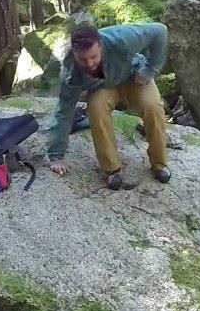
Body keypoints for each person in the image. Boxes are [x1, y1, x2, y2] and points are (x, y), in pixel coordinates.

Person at [45, 23, 170, 190]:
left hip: (133, 75)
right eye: (83, 59)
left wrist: (150, 70)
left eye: (94, 57)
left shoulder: (122, 38)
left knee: (152, 106)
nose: (89, 64)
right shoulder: (71, 72)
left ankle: (159, 164)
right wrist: (56, 155)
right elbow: (64, 112)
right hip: (105, 87)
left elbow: (160, 31)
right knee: (96, 108)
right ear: (74, 54)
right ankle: (112, 169)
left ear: (101, 46)